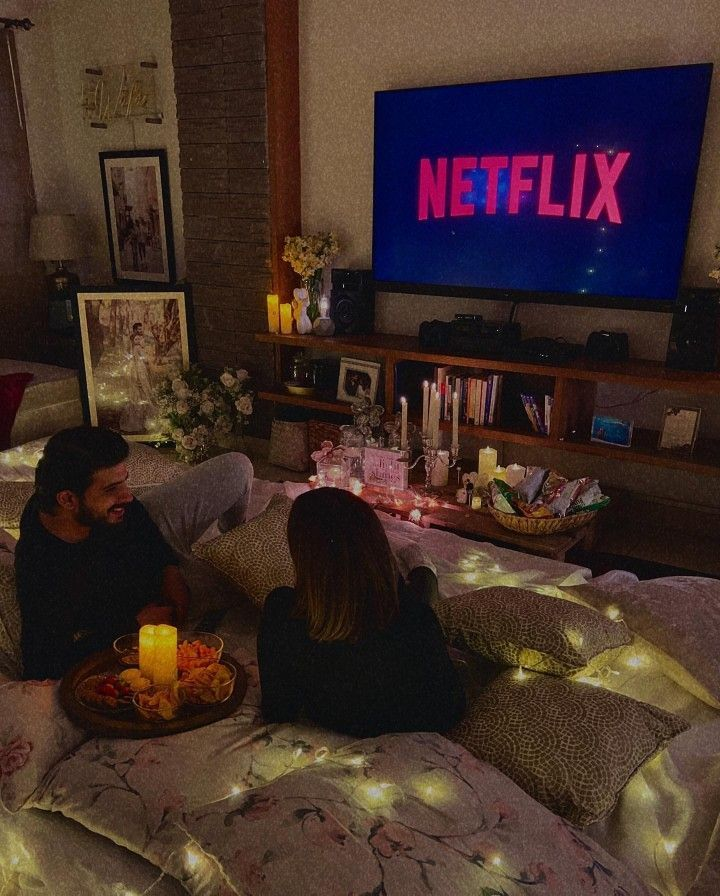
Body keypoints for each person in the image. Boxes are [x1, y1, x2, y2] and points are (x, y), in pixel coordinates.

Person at [15, 426, 254, 680]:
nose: (128, 495)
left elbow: (141, 522)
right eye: (111, 488)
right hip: (138, 603)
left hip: (150, 536)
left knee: (237, 467)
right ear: (67, 500)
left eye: (124, 481)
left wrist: (169, 570)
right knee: (241, 581)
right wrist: (135, 627)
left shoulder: (96, 505)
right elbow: (42, 665)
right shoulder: (41, 566)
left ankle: (232, 533)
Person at [257, 487, 465, 738]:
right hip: (397, 641)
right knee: (416, 589)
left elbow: (277, 709)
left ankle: (422, 568)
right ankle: (423, 567)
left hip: (345, 716)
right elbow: (450, 707)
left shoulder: (284, 615)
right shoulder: (415, 619)